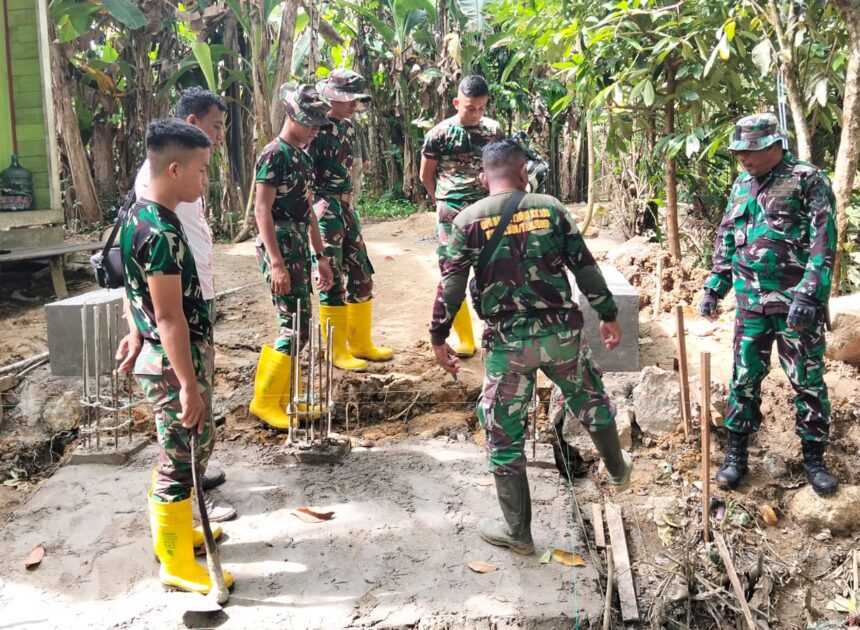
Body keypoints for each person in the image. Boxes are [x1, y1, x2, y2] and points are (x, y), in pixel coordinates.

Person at [430, 139, 633, 555]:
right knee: (590, 400)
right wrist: (609, 314)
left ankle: (519, 534)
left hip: (508, 346)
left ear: (483, 178)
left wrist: (438, 337)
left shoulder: (467, 219)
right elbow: (585, 266)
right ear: (524, 172)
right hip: (561, 338)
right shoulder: (552, 208)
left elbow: (450, 286)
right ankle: (617, 470)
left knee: (504, 436)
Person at [121, 118, 234, 594]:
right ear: (173, 169)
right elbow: (168, 317)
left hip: (165, 353)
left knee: (192, 445)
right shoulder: (160, 233)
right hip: (171, 362)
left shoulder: (140, 214)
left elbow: (129, 287)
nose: (205, 181)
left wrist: (133, 329)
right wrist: (188, 385)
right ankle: (174, 560)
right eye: (202, 171)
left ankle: (176, 530)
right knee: (182, 451)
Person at [700, 113, 838, 496]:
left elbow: (824, 242)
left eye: (751, 150)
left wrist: (810, 294)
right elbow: (728, 238)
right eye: (739, 151)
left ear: (775, 146)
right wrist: (715, 287)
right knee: (743, 381)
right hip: (751, 305)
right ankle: (736, 457)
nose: (744, 158)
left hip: (797, 307)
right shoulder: (742, 185)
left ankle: (814, 460)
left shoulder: (807, 179)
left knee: (807, 384)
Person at [249, 84, 334, 429]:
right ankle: (266, 402)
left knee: (300, 322)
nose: (315, 129)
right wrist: (277, 263)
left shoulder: (303, 155)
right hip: (280, 242)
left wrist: (321, 255)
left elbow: (309, 211)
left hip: (299, 240)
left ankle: (284, 398)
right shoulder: (275, 154)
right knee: (292, 325)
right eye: (309, 122)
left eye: (319, 123)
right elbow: (261, 210)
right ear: (291, 116)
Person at [309, 69, 392, 370]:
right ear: (331, 97)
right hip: (323, 206)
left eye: (357, 99)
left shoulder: (349, 127)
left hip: (345, 205)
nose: (355, 105)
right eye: (349, 99)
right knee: (330, 275)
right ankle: (336, 350)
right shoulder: (314, 126)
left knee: (361, 271)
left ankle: (360, 343)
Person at [420, 74, 502, 358]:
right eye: (470, 108)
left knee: (491, 271)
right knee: (452, 273)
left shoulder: (493, 130)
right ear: (457, 102)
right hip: (451, 212)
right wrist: (443, 202)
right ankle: (462, 338)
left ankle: (493, 334)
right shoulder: (439, 134)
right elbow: (426, 175)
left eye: (481, 107)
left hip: (485, 211)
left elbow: (499, 169)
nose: (476, 113)